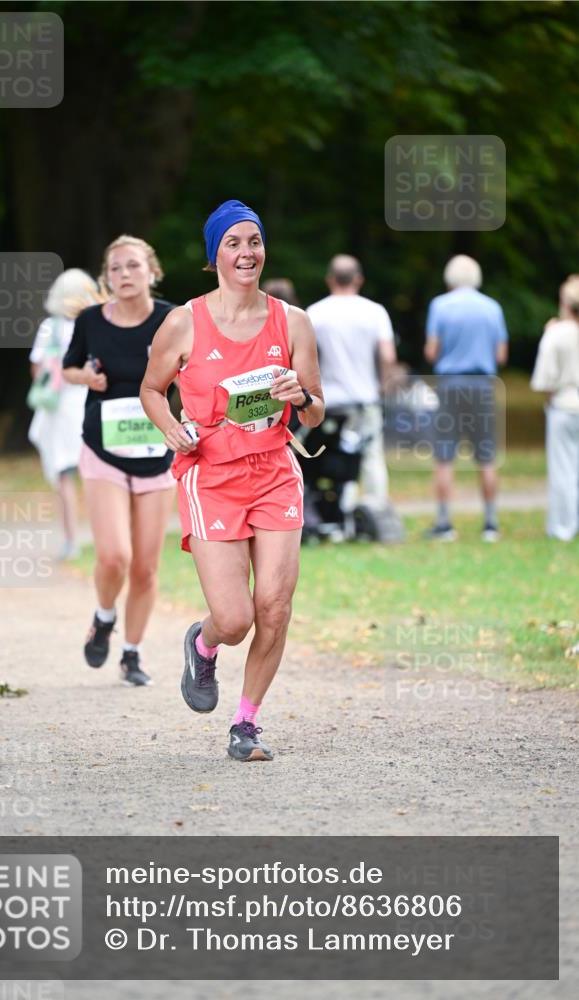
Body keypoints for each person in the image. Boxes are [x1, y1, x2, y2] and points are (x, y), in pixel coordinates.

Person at [141, 199, 324, 762]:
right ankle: (203, 643)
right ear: (214, 255)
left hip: (274, 471)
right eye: (234, 243)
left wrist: (302, 399)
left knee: (274, 604)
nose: (247, 253)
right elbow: (152, 390)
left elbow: (316, 410)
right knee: (235, 618)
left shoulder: (292, 321)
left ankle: (245, 724)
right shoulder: (183, 322)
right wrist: (172, 427)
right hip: (211, 476)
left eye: (254, 241)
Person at [63, 236, 176, 685]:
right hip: (104, 446)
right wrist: (85, 376)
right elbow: (68, 367)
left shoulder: (173, 319)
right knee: (114, 557)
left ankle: (132, 653)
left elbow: (198, 370)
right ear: (106, 277)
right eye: (115, 268)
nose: (124, 275)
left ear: (152, 271)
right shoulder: (91, 320)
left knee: (146, 566)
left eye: (132, 266)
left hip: (157, 448)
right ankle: (104, 615)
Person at [424, 254, 508, 542]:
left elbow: (432, 351)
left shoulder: (440, 306)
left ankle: (445, 522)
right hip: (483, 385)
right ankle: (490, 523)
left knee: (445, 456)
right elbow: (501, 354)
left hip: (449, 385)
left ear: (450, 278)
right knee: (486, 456)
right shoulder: (493, 308)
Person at [306, 254, 396, 508]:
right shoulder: (375, 311)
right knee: (371, 457)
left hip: (330, 401)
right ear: (359, 279)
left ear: (329, 279)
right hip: (365, 399)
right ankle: (376, 510)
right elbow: (388, 355)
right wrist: (383, 385)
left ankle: (340, 510)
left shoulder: (315, 312)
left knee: (337, 458)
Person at [28, 269, 100, 560]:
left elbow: (37, 368)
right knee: (96, 474)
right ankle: (102, 535)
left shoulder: (51, 327)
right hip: (90, 403)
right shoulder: (96, 324)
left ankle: (71, 539)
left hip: (61, 409)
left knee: (63, 475)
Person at [531, 275, 579, 541]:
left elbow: (544, 379)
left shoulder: (557, 334)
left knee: (563, 470)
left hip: (563, 405)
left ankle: (562, 528)